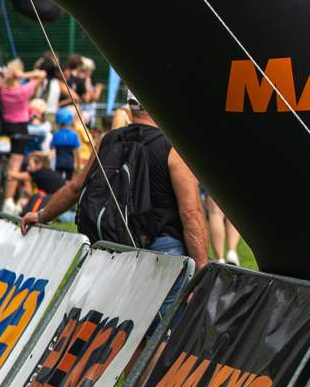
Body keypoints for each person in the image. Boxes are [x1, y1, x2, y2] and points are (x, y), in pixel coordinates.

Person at [23, 96, 208, 269]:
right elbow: (191, 212)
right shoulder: (173, 147)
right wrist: (201, 273)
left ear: (129, 106)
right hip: (162, 246)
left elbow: (75, 188)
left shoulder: (107, 139)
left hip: (114, 244)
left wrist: (41, 216)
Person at [0, 60, 48, 215]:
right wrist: (23, 75)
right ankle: (8, 201)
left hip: (5, 129)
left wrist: (6, 73)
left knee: (3, 161)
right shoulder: (22, 91)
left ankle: (0, 193)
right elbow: (41, 74)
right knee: (15, 167)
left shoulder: (1, 88)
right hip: (20, 128)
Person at [51, 107, 81, 180]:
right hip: (70, 164)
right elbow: (77, 152)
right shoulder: (73, 135)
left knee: (58, 182)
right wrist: (78, 165)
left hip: (59, 163)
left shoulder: (56, 135)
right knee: (69, 181)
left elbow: (52, 151)